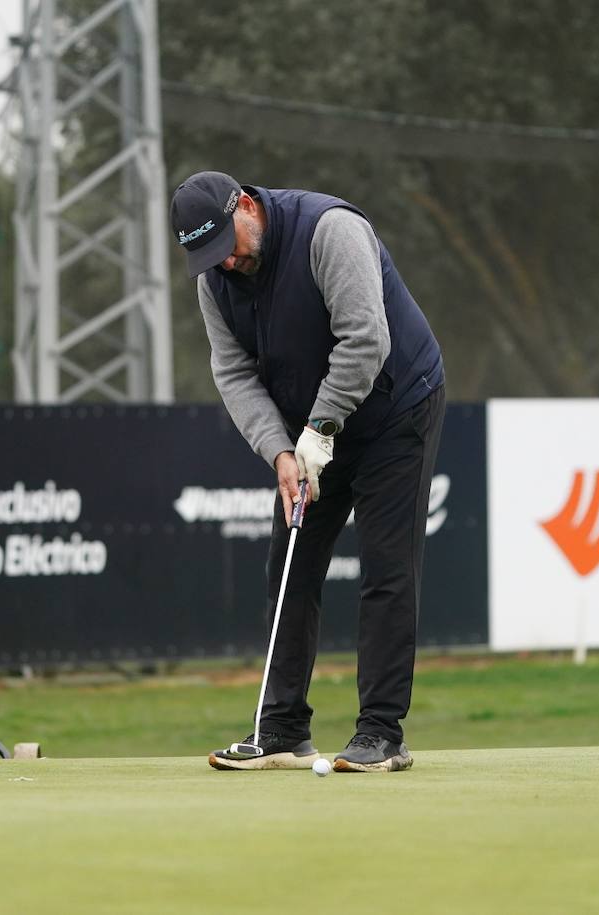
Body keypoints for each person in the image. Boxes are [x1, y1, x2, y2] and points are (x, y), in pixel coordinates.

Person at [170, 171, 446, 773]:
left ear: (244, 206)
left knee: (386, 566)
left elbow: (365, 340)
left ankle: (380, 734)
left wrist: (319, 430)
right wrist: (282, 452)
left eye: (229, 246)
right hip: (308, 431)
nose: (228, 263)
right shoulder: (216, 280)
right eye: (210, 257)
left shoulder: (331, 231)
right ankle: (281, 730)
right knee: (291, 562)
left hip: (395, 406)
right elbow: (234, 374)